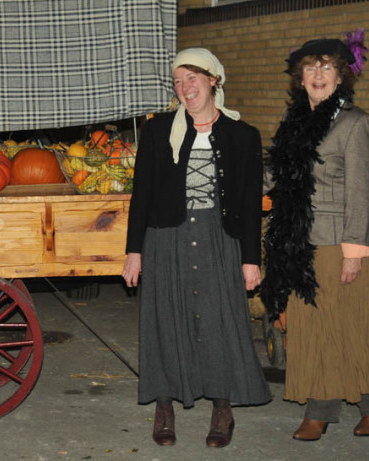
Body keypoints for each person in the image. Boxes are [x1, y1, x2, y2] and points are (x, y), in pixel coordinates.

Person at [122, 47, 271, 448]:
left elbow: (249, 202)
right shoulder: (157, 132)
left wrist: (250, 260)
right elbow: (143, 195)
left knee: (220, 319)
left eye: (193, 78)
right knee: (166, 319)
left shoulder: (243, 136)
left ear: (213, 80)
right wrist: (134, 250)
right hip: (165, 236)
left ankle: (222, 408)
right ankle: (165, 405)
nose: (185, 88)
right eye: (178, 81)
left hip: (219, 237)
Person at [260, 33, 369, 441]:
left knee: (347, 328)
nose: (318, 74)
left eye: (327, 66)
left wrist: (354, 251)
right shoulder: (292, 121)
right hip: (297, 243)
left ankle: (359, 406)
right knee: (311, 330)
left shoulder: (355, 123)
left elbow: (362, 192)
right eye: (310, 67)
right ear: (299, 77)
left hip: (336, 243)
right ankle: (335, 406)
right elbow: (277, 174)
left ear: (341, 76)